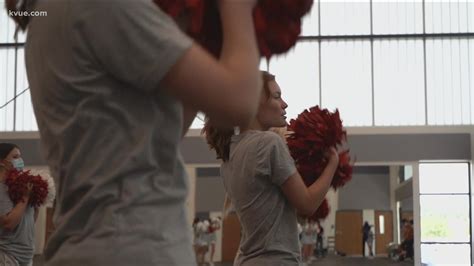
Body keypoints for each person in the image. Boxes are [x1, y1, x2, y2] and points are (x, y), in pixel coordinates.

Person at [6, 0, 262, 265]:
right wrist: (238, 8)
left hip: (98, 242)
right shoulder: (101, 7)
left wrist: (197, 34)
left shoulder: (50, 15)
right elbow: (238, 103)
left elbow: (161, 137)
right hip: (134, 244)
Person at [203, 71, 339, 265]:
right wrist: (333, 164)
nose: (284, 104)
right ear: (255, 102)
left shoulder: (228, 156)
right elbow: (307, 205)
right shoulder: (269, 143)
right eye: (277, 97)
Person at [0, 143, 36, 266]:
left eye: (20, 156)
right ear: (2, 161)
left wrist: (36, 201)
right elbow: (8, 224)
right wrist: (25, 197)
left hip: (27, 254)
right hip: (8, 255)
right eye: (15, 157)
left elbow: (30, 220)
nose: (20, 160)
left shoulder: (23, 186)